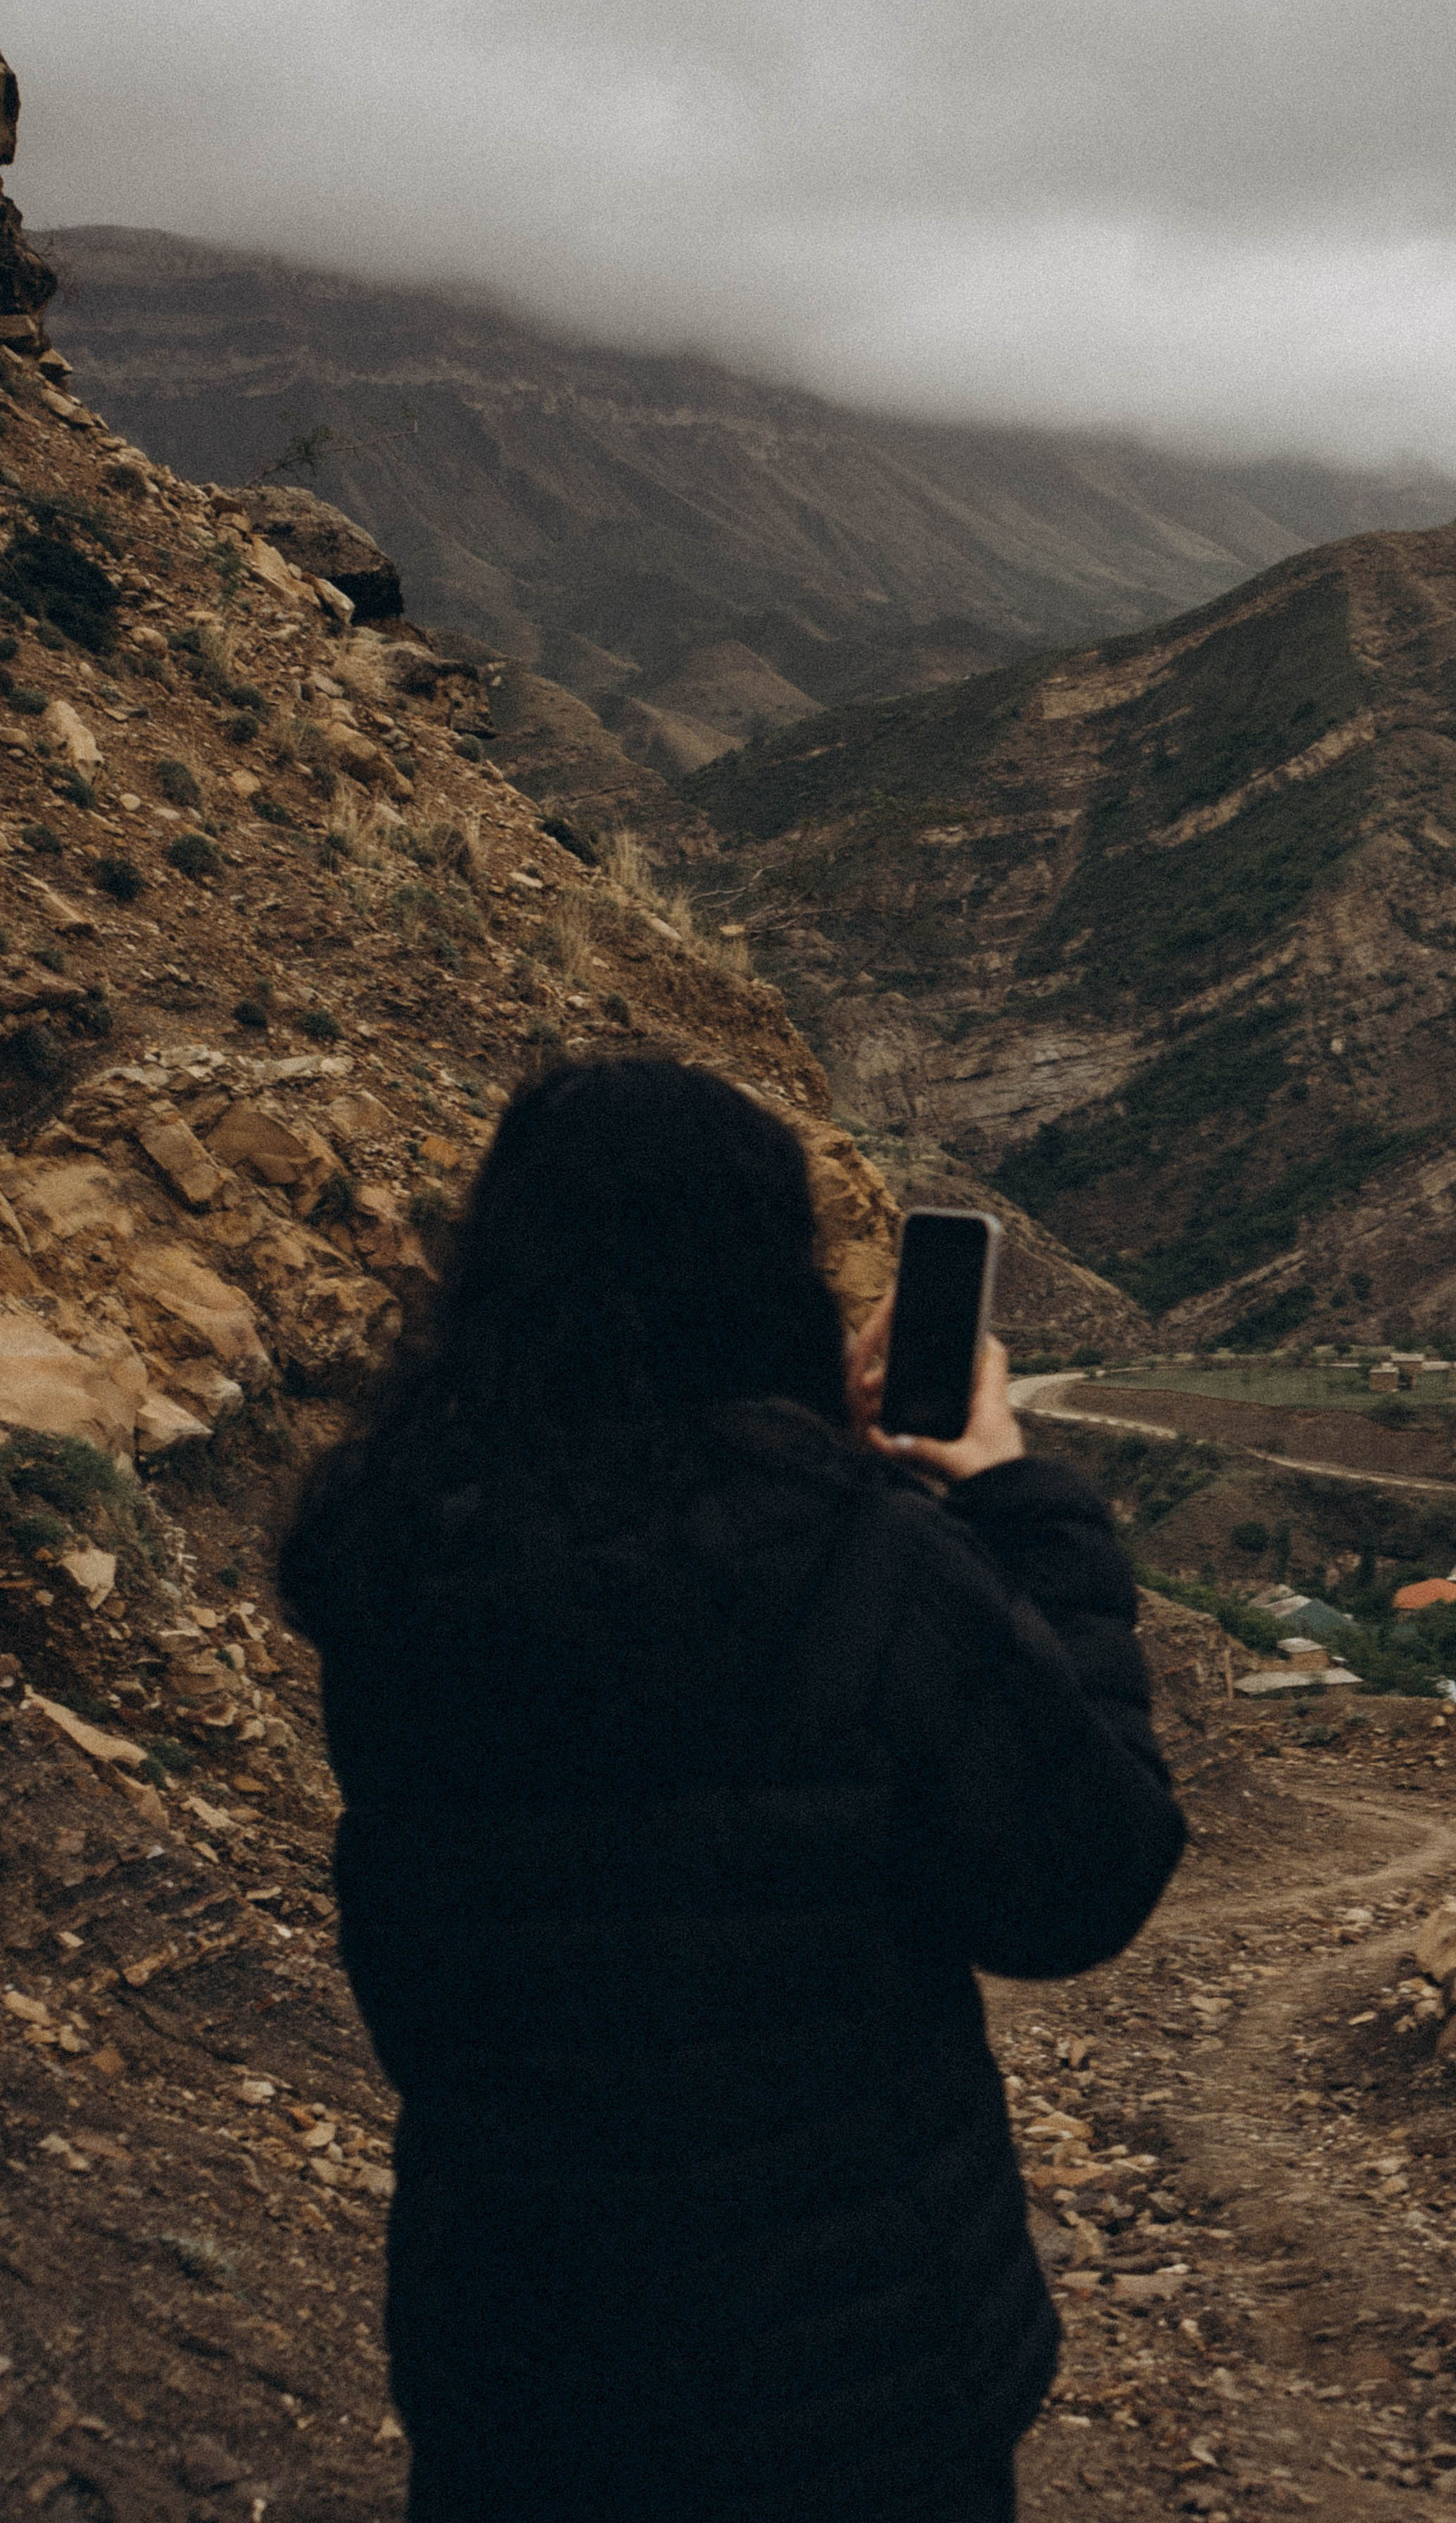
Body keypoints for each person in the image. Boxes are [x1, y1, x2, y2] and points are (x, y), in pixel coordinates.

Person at [280, 1056, 1186, 2522]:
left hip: (518, 2369)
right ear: (768, 1279)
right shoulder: (868, 1564)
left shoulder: (396, 1567)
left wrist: (786, 1440)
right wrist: (1018, 1500)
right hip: (858, 2393)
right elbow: (1081, 1883)